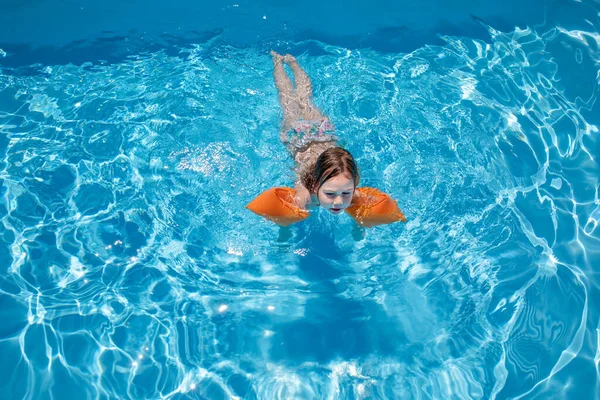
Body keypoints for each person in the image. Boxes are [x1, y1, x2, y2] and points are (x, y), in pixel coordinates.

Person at [270, 51, 361, 215]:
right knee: (291, 99)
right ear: (315, 185)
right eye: (330, 194)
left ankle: (293, 64)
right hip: (298, 136)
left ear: (354, 185)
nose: (339, 201)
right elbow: (286, 216)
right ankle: (278, 62)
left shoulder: (348, 188)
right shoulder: (305, 194)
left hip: (322, 132)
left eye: (347, 193)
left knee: (304, 98)